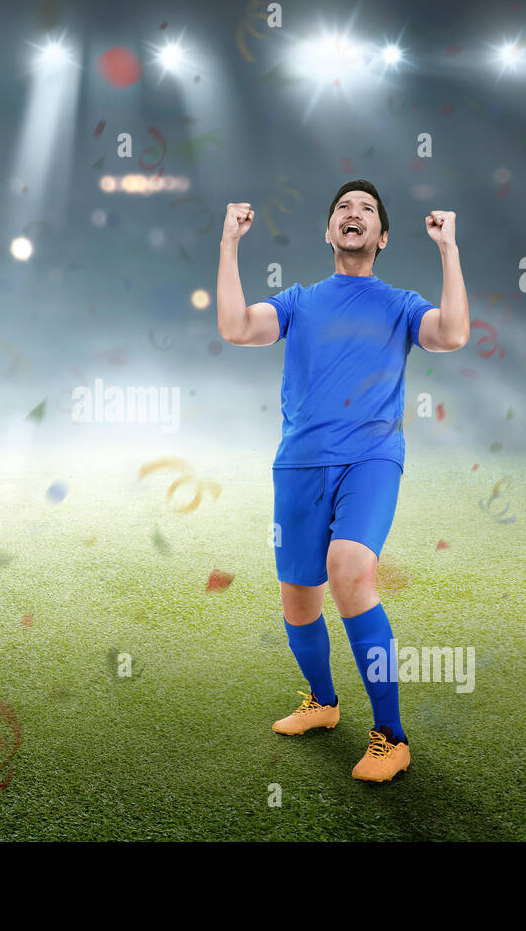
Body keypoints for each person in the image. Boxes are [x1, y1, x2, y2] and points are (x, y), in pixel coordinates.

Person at [216, 179, 470, 782]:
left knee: (350, 570)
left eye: (367, 211)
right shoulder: (300, 301)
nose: (353, 215)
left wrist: (449, 251)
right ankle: (324, 704)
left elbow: (453, 334)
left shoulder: (402, 305)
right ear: (329, 232)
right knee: (298, 599)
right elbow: (234, 327)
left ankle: (391, 736)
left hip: (371, 457)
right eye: (342, 210)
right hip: (299, 463)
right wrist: (229, 244)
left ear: (380, 237)